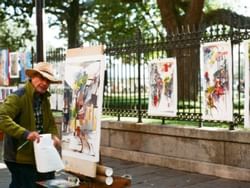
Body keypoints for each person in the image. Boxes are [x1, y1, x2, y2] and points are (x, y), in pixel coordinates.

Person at [0, 62, 62, 188]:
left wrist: (54, 136)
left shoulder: (44, 98)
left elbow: (50, 123)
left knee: (47, 184)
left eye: (48, 81)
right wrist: (25, 133)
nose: (45, 83)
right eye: (41, 78)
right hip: (19, 156)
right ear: (32, 77)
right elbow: (1, 117)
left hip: (40, 154)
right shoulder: (18, 96)